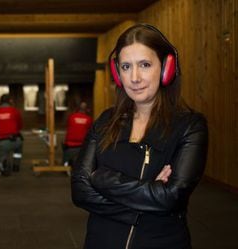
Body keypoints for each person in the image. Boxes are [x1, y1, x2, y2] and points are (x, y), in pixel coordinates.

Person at [71, 23, 208, 249]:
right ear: (117, 73)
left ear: (166, 68)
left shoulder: (190, 126)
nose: (134, 77)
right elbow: (80, 191)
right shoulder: (106, 121)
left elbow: (172, 197)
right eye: (126, 66)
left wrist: (101, 179)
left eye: (144, 65)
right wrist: (148, 199)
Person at [0, 94, 23, 176]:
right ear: (10, 101)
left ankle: (3, 165)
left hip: (2, 142)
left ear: (0, 102)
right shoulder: (15, 111)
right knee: (19, 147)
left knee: (0, 152)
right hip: (15, 141)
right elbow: (20, 126)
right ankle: (16, 164)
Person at [62, 101, 93, 166]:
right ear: (87, 109)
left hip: (69, 145)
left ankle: (65, 164)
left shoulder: (71, 117)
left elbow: (68, 128)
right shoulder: (89, 119)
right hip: (83, 145)